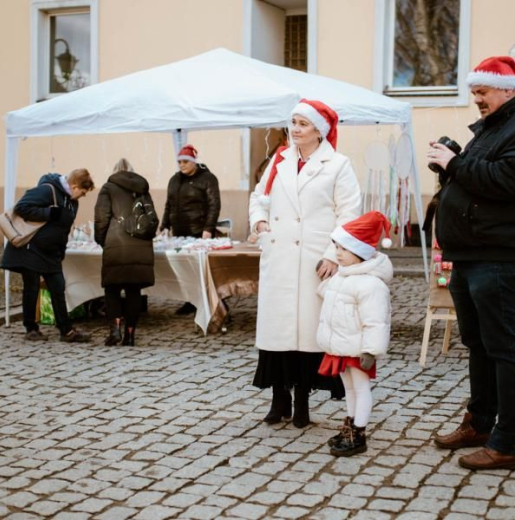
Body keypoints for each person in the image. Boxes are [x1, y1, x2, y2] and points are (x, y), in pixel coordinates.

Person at [428, 56, 515, 470]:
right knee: (478, 345)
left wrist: (456, 163)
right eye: (474, 92)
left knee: (504, 349)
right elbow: (475, 179)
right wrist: (454, 165)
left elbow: (508, 183)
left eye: (482, 91)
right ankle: (480, 422)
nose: (476, 99)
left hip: (498, 256)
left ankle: (508, 442)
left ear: (507, 89)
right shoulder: (495, 128)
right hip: (470, 254)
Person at [249, 99, 362, 428]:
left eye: (302, 124)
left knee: (307, 334)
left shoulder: (338, 164)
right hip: (280, 255)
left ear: (319, 130)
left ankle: (302, 401)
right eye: (293, 122)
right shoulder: (279, 159)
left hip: (315, 259)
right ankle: (278, 397)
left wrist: (332, 253)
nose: (294, 129)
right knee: (278, 333)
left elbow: (349, 213)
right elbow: (259, 196)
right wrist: (259, 222)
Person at [316, 211, 393, 457]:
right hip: (342, 344)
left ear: (359, 252)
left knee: (361, 389)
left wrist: (371, 350)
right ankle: (350, 422)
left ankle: (358, 432)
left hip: (358, 348)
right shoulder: (343, 275)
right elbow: (327, 295)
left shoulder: (371, 285)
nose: (337, 254)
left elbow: (376, 322)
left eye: (343, 249)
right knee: (348, 389)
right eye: (336, 247)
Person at [0, 168, 95, 343]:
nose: (83, 196)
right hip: (32, 248)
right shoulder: (47, 189)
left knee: (58, 288)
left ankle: (66, 331)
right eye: (82, 192)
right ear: (74, 186)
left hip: (51, 252)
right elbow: (22, 207)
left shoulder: (72, 202)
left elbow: (64, 228)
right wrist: (49, 213)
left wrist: (61, 251)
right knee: (32, 287)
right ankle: (31, 328)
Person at [94, 158, 157, 347]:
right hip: (140, 245)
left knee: (112, 289)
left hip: (116, 245)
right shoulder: (142, 188)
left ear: (115, 171)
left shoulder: (108, 188)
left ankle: (115, 331)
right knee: (134, 290)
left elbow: (101, 219)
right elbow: (151, 218)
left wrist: (101, 241)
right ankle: (130, 334)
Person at [160, 144, 221, 315]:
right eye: (180, 162)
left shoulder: (208, 178)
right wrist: (164, 225)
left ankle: (204, 300)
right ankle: (189, 301)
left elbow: (214, 205)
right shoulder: (174, 180)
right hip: (179, 232)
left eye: (186, 161)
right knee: (184, 269)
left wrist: (208, 229)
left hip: (198, 231)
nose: (182, 165)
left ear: (194, 161)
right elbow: (168, 204)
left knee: (198, 268)